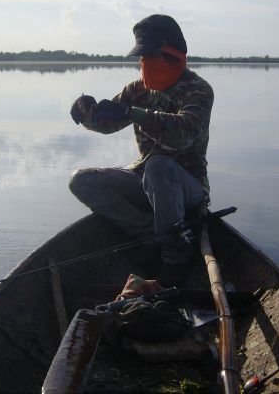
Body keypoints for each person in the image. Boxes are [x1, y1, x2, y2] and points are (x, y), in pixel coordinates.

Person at [68, 14, 213, 287]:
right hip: (146, 179)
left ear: (171, 54)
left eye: (149, 56)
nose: (143, 63)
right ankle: (150, 233)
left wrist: (132, 112)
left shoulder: (198, 90)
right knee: (81, 180)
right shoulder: (137, 89)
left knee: (159, 165)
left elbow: (183, 131)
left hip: (188, 189)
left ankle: (175, 255)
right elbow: (109, 122)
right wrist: (89, 115)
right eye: (141, 58)